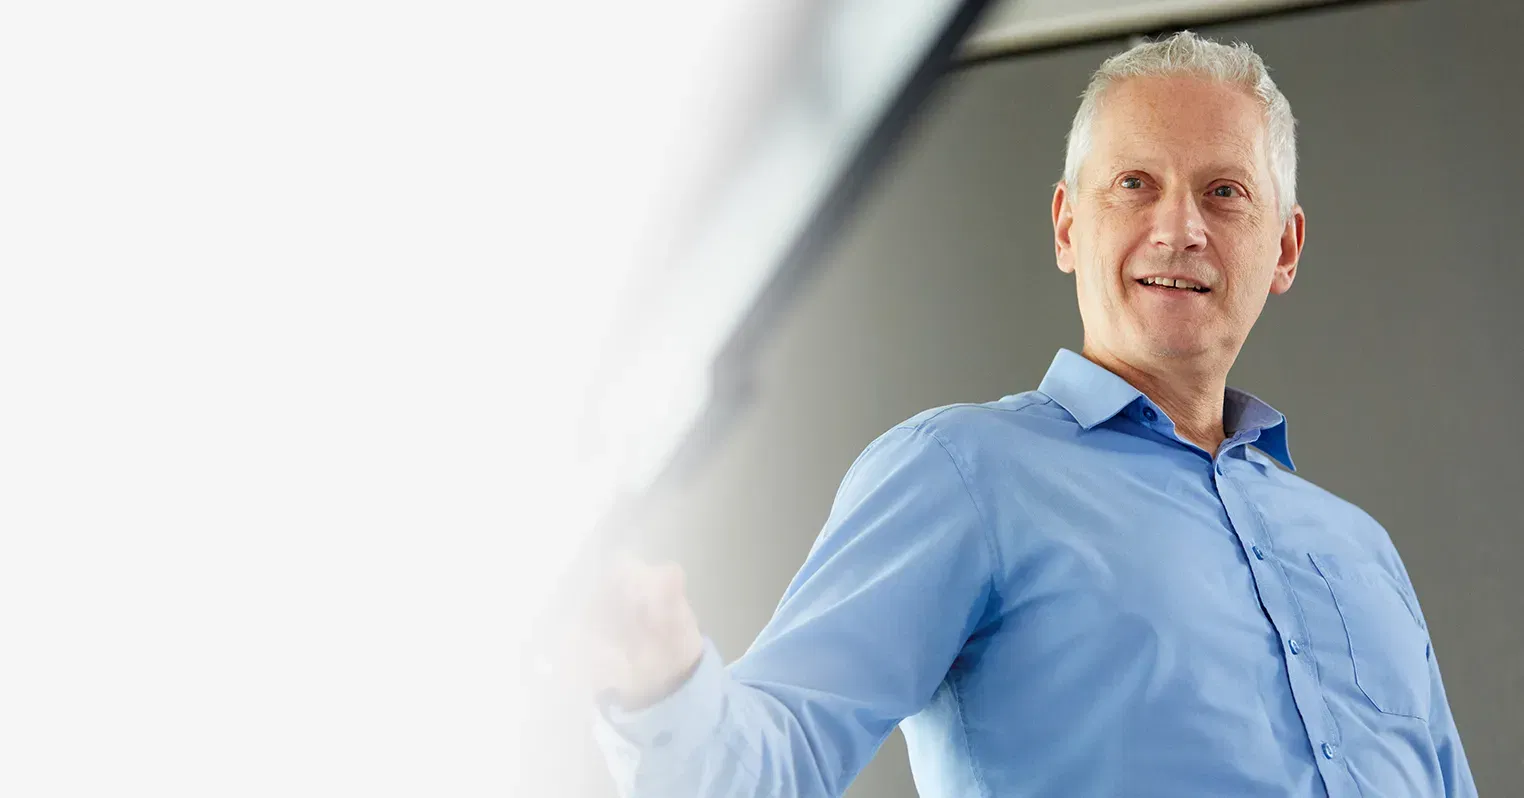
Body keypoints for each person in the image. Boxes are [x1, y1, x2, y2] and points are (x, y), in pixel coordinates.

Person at [566, 31, 1476, 797]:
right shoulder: (963, 474)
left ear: (1283, 245)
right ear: (1067, 226)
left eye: (1224, 192)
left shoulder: (1359, 549)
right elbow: (769, 764)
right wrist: (662, 684)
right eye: (1134, 184)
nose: (1179, 228)